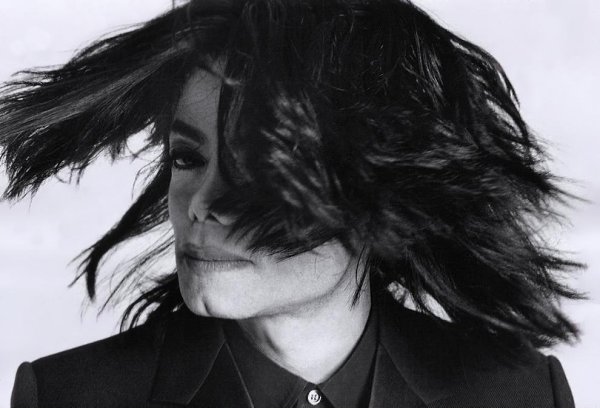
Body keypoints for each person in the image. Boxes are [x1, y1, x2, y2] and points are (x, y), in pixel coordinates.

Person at [1, 0, 582, 407]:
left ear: (379, 186)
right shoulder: (64, 396)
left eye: (258, 169)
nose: (200, 204)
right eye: (187, 158)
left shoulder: (524, 395)